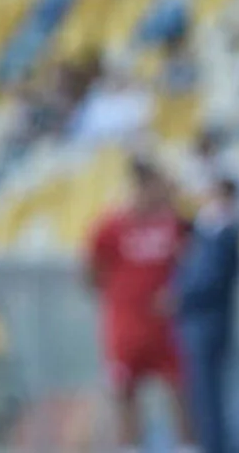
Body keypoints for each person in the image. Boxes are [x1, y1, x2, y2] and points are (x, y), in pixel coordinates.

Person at [86, 157, 196, 453]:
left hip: (166, 326)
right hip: (125, 324)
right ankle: (130, 447)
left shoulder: (174, 223)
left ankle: (186, 446)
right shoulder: (111, 226)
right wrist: (120, 295)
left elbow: (195, 263)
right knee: (124, 390)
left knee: (180, 389)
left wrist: (178, 293)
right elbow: (92, 270)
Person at [175, 177, 239, 453]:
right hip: (201, 324)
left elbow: (210, 279)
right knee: (202, 394)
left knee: (209, 395)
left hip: (210, 324)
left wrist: (181, 297)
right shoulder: (207, 233)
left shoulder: (225, 235)